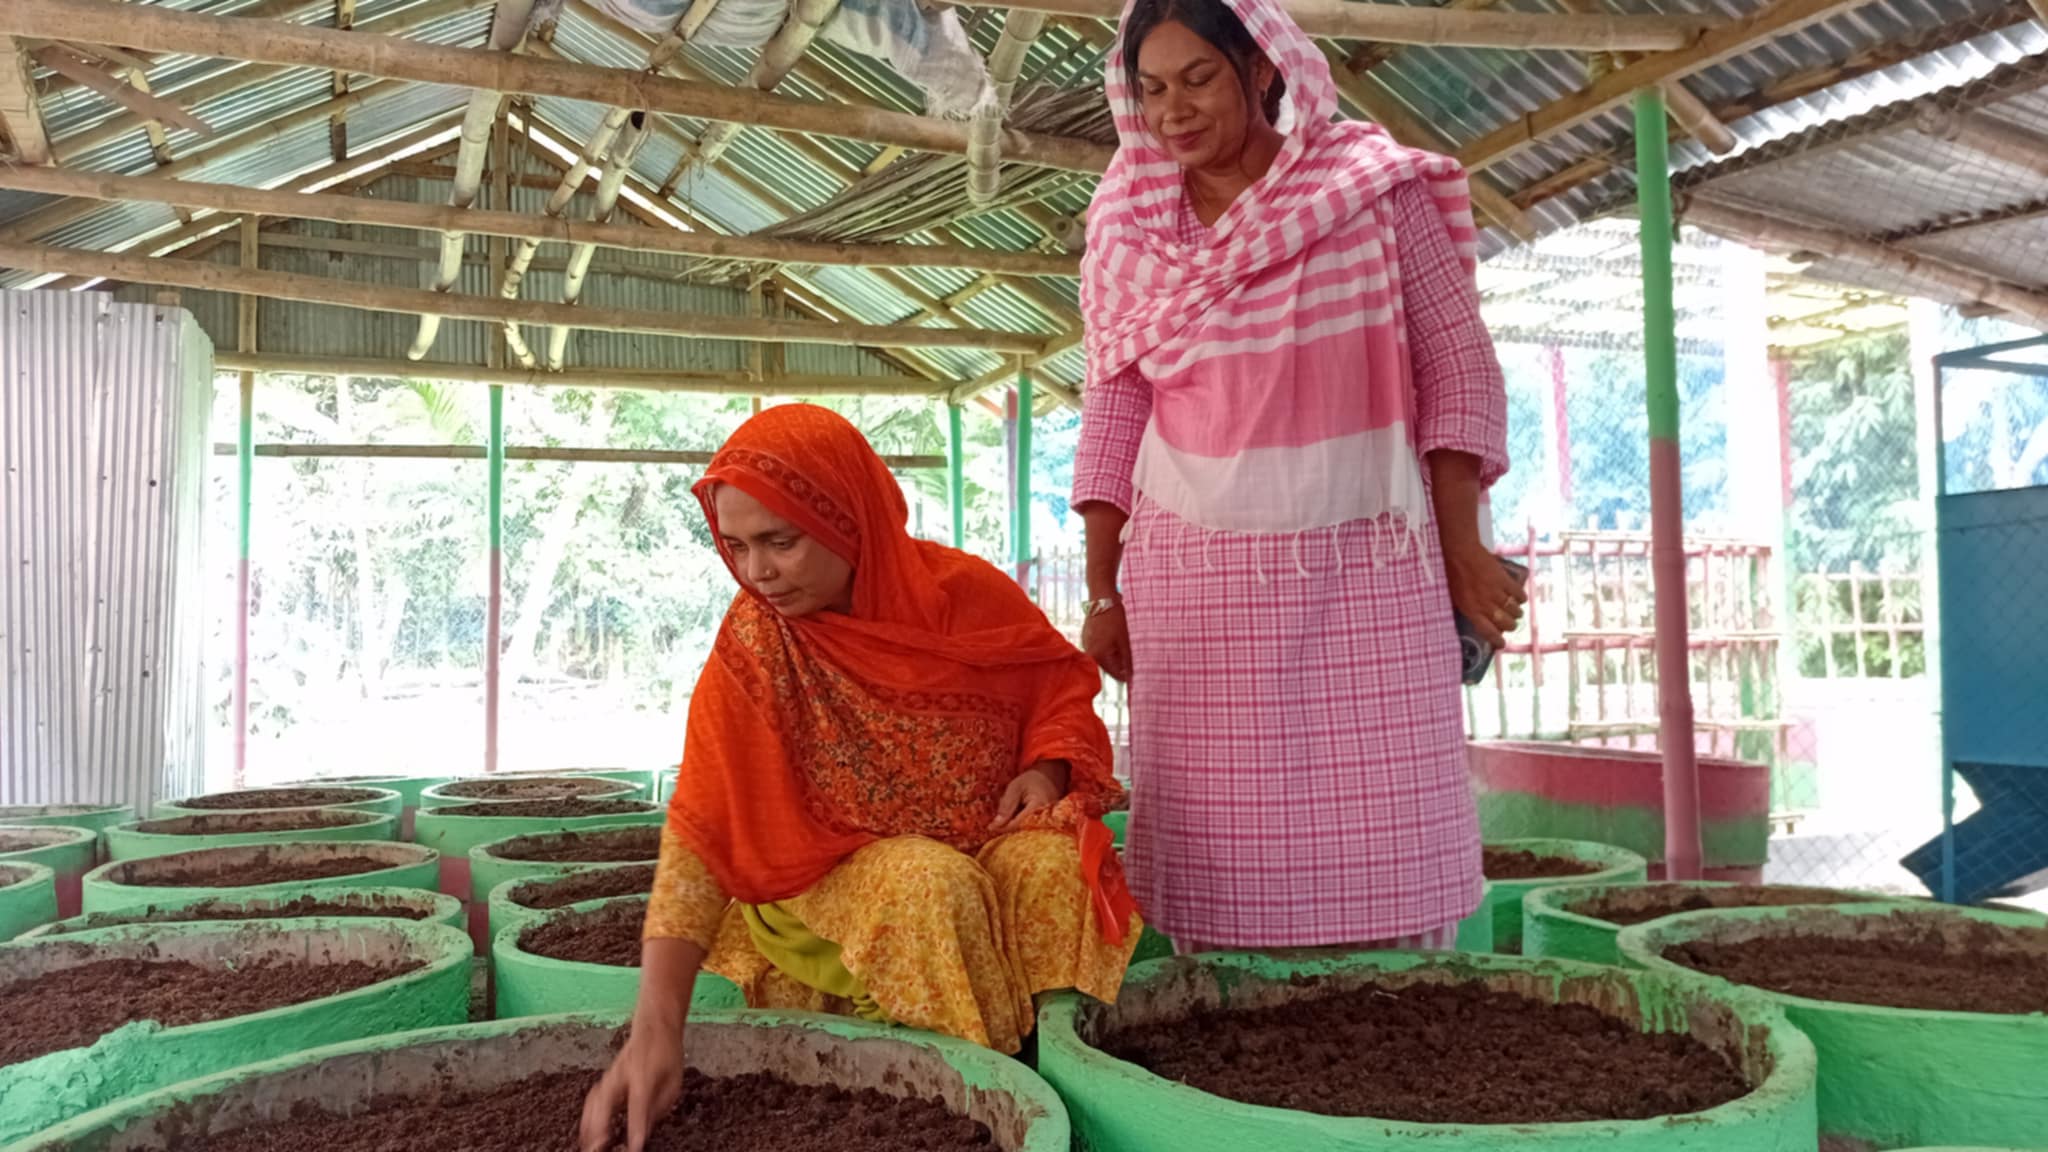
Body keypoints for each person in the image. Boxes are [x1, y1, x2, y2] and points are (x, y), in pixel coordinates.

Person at [1072, 0, 1523, 955]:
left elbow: (1456, 364)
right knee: (1218, 856)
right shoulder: (1125, 230)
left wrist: (1466, 552)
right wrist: (1101, 588)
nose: (1174, 110)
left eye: (1198, 79)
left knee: (1386, 832)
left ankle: (1393, 1054)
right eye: (1152, 89)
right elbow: (1115, 405)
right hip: (1196, 593)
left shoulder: (1368, 189)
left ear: (1266, 70)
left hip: (1368, 574)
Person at [580, 404, 1140, 1152]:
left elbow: (1053, 688)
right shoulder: (757, 641)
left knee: (1052, 865)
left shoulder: (964, 594)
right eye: (738, 546)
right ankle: (973, 1105)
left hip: (984, 839)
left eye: (781, 542)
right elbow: (703, 829)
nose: (758, 572)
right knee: (927, 885)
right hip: (834, 872)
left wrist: (1045, 769)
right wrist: (656, 1028)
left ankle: (1070, 1086)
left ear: (851, 519)